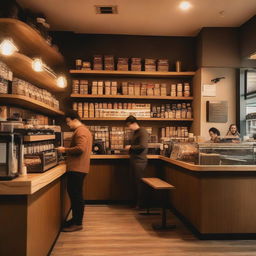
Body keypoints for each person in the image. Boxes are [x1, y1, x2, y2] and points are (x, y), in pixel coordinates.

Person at [57, 110, 92, 232]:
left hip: (77, 168)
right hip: (80, 168)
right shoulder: (84, 130)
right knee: (76, 195)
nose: (68, 124)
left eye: (68, 121)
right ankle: (75, 219)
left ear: (74, 119)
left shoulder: (81, 131)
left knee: (76, 196)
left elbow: (80, 149)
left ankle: (78, 223)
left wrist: (64, 149)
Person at [125, 115, 148, 209]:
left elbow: (142, 146)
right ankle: (135, 203)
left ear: (133, 123)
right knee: (133, 183)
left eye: (129, 125)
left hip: (140, 161)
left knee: (139, 183)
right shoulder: (136, 132)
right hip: (134, 160)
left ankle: (140, 204)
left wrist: (130, 147)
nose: (128, 127)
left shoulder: (142, 131)